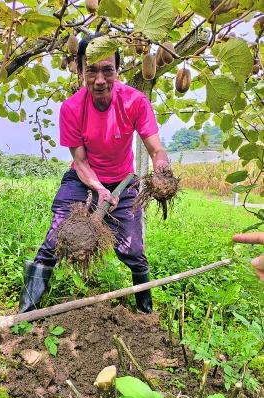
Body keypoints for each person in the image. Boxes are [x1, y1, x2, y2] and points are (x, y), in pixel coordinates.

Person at [19, 33, 169, 314]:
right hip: (83, 179)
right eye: (91, 70)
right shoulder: (72, 108)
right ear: (79, 69)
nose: (100, 79)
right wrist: (99, 190)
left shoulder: (135, 101)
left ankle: (146, 314)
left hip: (124, 183)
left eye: (107, 70)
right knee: (55, 239)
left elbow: (156, 150)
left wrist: (162, 170)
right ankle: (27, 313)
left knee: (133, 251)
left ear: (118, 70)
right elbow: (81, 161)